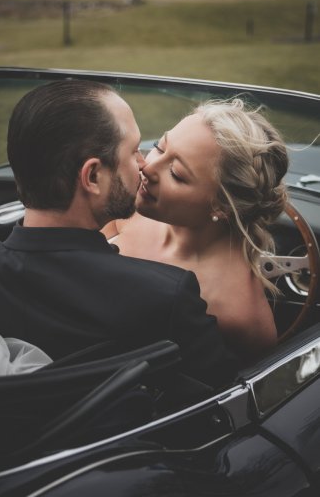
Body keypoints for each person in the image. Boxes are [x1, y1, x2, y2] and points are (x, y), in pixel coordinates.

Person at [0, 80, 237, 389]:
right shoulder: (167, 299)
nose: (145, 164)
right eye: (133, 151)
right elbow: (223, 408)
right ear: (92, 176)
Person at [104, 99, 288, 364]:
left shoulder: (239, 313)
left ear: (222, 207)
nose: (147, 167)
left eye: (177, 174)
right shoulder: (134, 199)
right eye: (159, 146)